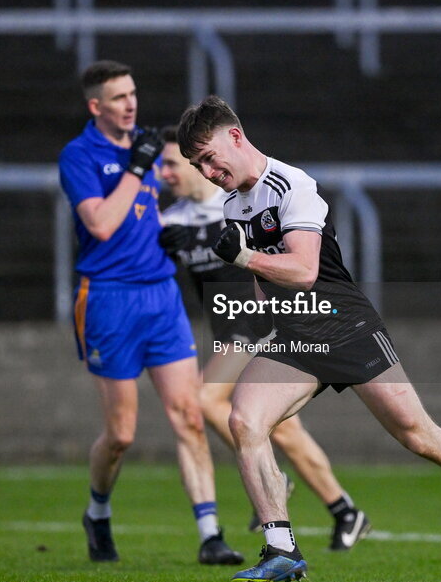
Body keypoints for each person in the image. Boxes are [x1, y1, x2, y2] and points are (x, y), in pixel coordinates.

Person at [176, 96, 441, 582]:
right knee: (244, 421)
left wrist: (244, 259)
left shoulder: (292, 185)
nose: (205, 171)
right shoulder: (232, 202)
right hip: (294, 333)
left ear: (235, 136)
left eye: (207, 156)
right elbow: (264, 280)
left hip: (343, 324)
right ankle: (281, 551)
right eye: (196, 164)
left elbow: (305, 271)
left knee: (420, 436)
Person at [58, 61, 242, 566]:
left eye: (133, 93)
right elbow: (99, 223)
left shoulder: (146, 144)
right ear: (96, 106)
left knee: (188, 414)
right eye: (118, 97)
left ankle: (210, 533)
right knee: (121, 435)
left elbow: (192, 184)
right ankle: (97, 512)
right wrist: (139, 169)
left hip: (161, 294)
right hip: (108, 299)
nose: (130, 104)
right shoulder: (79, 156)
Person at [158, 126, 371, 551]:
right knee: (284, 432)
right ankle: (344, 509)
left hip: (258, 321)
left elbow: (282, 259)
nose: (164, 173)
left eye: (171, 164)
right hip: (229, 328)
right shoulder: (171, 222)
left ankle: (277, 483)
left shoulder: (231, 206)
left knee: (206, 400)